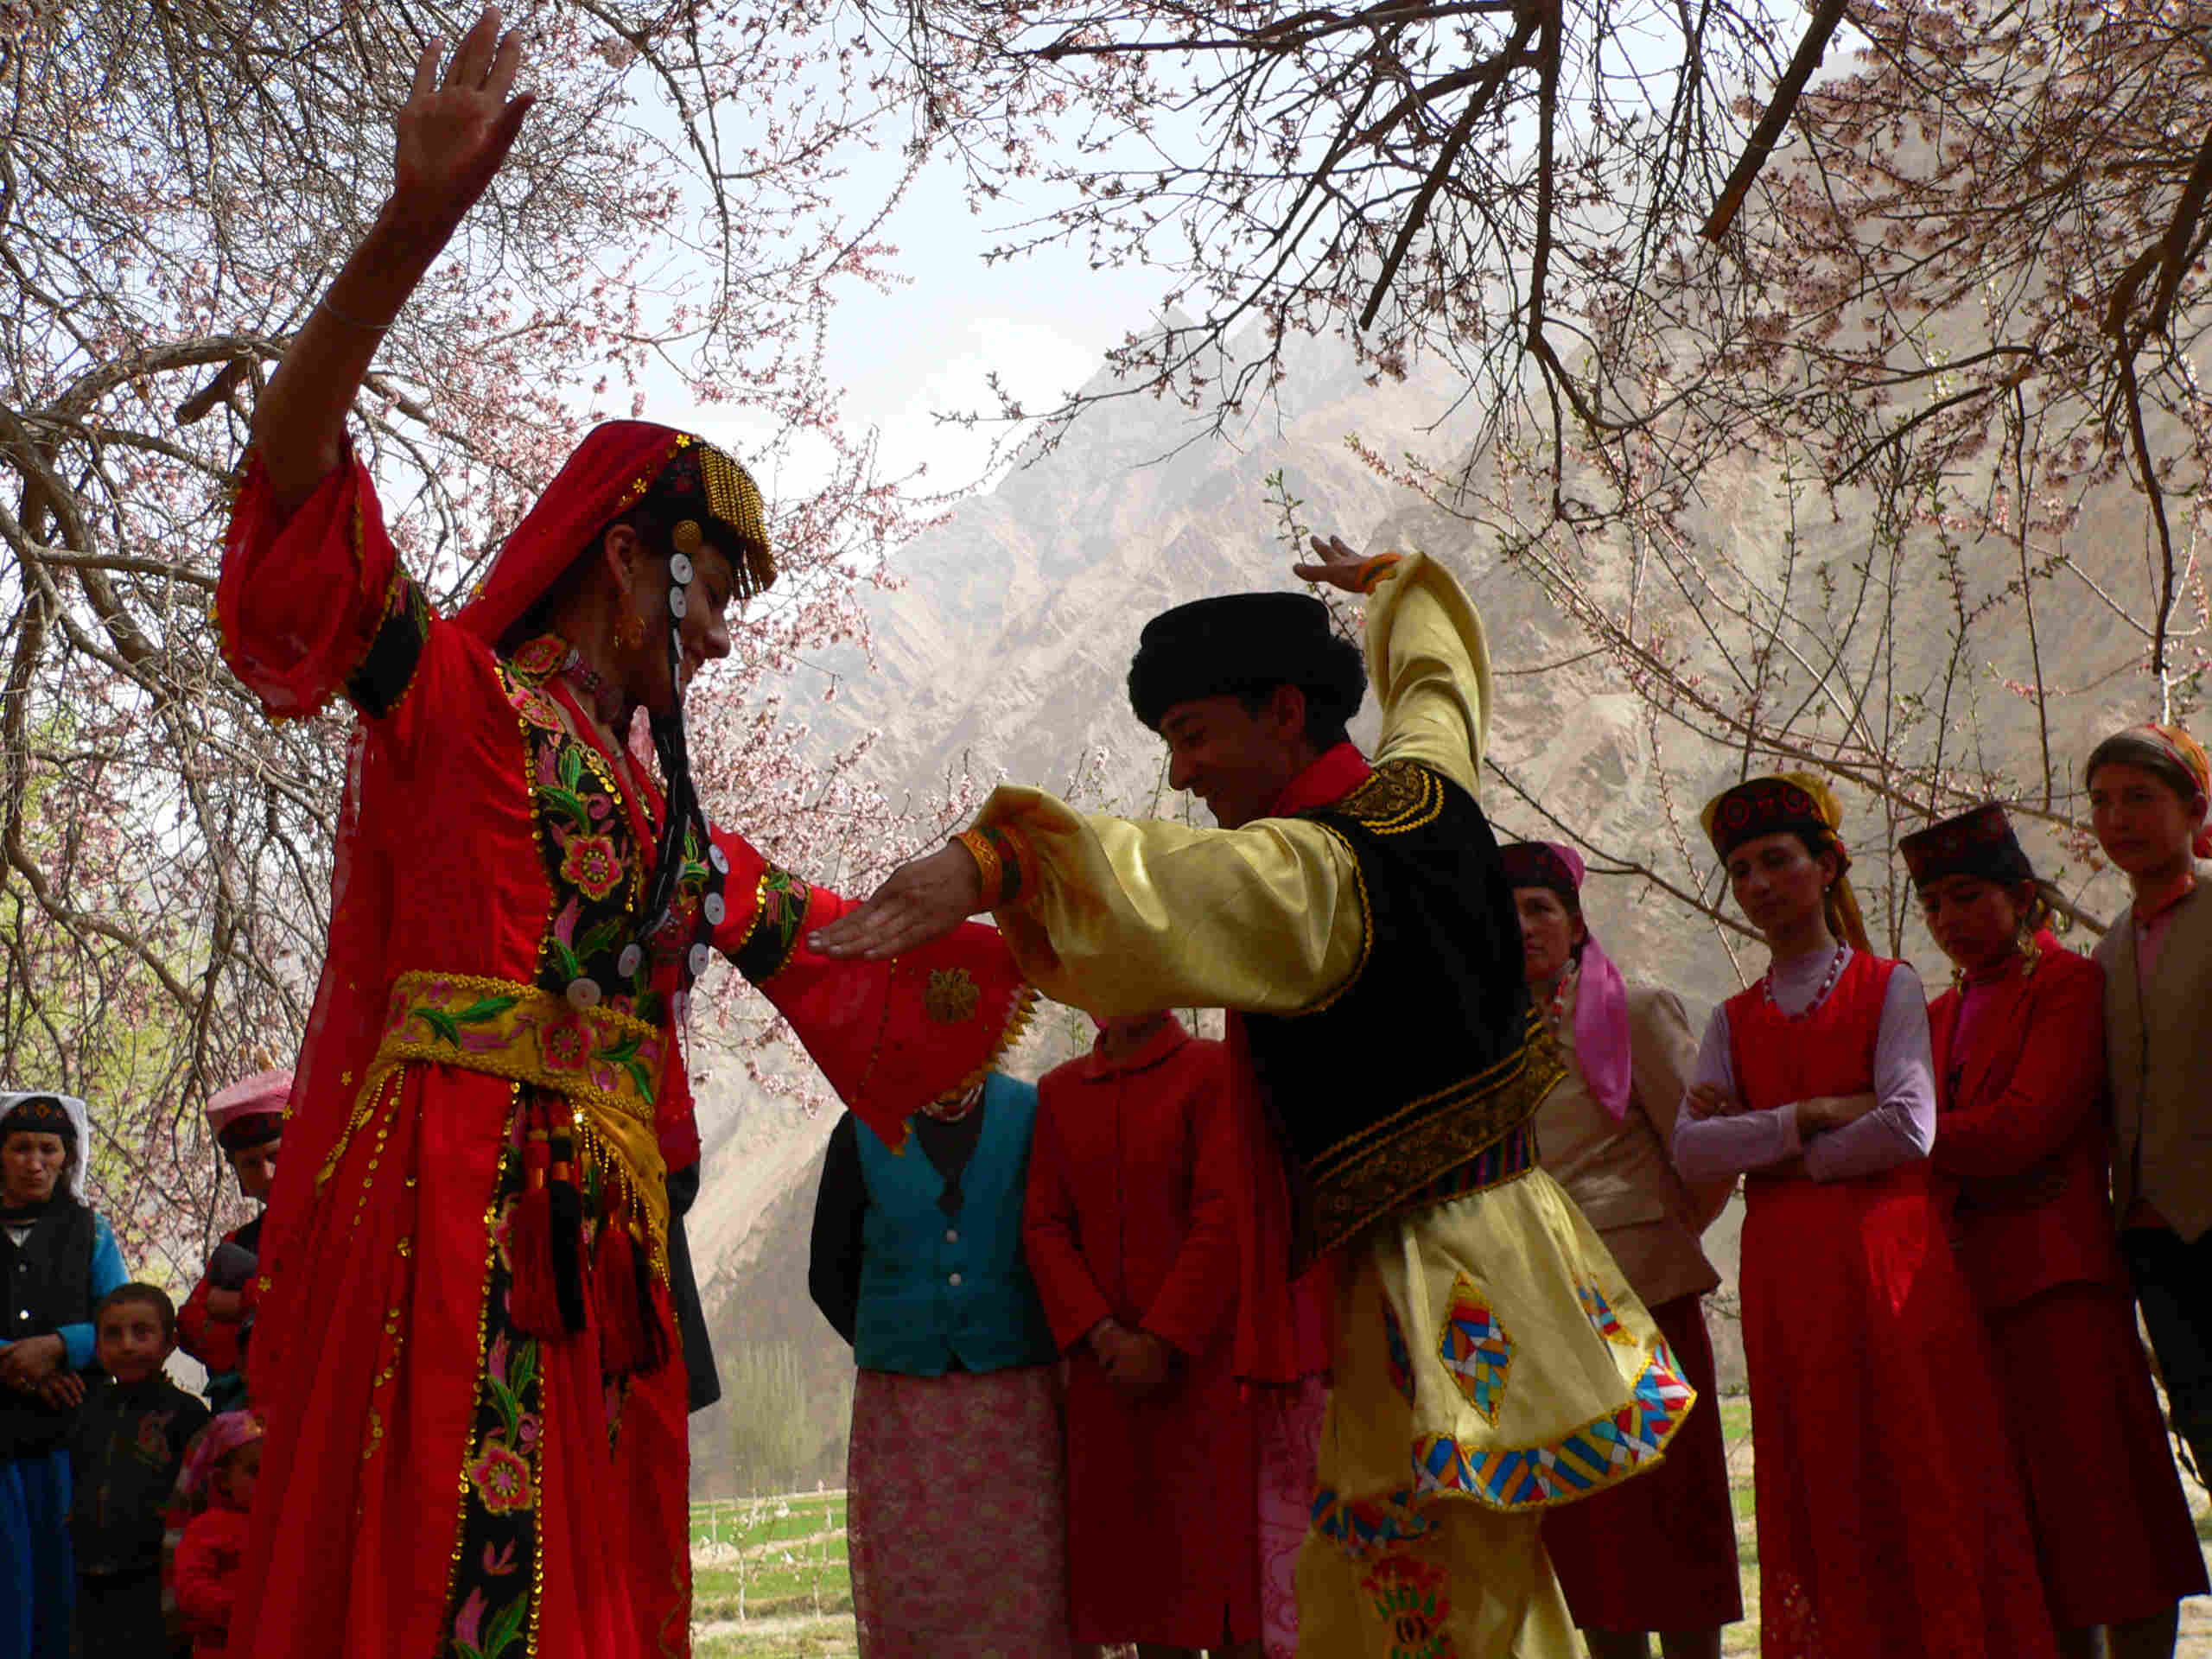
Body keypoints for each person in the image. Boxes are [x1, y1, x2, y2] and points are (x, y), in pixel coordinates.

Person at [218, 13, 1036, 1654]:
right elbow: (299, 481)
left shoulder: (672, 830)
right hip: (450, 1188)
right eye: (715, 586)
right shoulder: (455, 709)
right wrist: (403, 237)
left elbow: (857, 949)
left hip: (598, 1242)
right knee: (455, 1562)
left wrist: (1027, 867)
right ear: (625, 559)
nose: (724, 632)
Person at [816, 537, 1695, 1657]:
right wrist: (1397, 586)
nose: (1180, 776)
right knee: (1469, 1586)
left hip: (1423, 1291)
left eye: (1192, 736)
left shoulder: (1315, 873)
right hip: (1512, 1254)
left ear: (1285, 714)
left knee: (1418, 1600)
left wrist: (994, 864)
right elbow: (1437, 688)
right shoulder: (1426, 788)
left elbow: (1164, 883)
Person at [1672, 773, 2056, 1658]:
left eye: (1778, 860)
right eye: (1741, 870)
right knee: (1822, 1474)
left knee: (1917, 1459)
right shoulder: (1732, 1020)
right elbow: (1689, 1151)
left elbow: (1907, 1126)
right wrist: (1808, 1115)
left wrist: (1765, 1147)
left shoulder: (1888, 986)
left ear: (1825, 865)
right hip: (1786, 1282)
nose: (1761, 884)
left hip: (1888, 1268)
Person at [1905, 802, 2206, 1659]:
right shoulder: (1934, 1015)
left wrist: (1901, 1133)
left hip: (2059, 1286)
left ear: (2020, 894)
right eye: (1932, 906)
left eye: (1966, 896)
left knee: (2106, 1515)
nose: (1947, 921)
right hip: (1968, 1297)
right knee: (2025, 1529)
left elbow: (2024, 1127)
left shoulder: (2069, 985)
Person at [1502, 842, 1742, 1659]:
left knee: (1673, 1515)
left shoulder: (1633, 1010)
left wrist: (1655, 1239)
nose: (1525, 926)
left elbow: (1704, 1154)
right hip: (1546, 1315)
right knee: (1589, 1527)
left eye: (1541, 908)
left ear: (1574, 924)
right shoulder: (1489, 1039)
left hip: (1648, 1302)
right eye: (1508, 912)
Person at [807, 1071, 1077, 1656]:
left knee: (1029, 1596)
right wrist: (900, 1334)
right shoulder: (861, 1127)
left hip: (1020, 1411)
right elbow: (829, 1272)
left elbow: (1066, 1237)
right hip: (905, 1420)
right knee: (918, 1596)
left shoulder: (1035, 1116)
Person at [1025, 1012, 1260, 1658]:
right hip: (1108, 1391)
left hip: (1202, 1378)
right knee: (1148, 1610)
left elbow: (1224, 1212)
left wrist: (1162, 1339)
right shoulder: (1059, 1092)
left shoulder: (1211, 1073)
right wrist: (1104, 1336)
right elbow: (1044, 1226)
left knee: (1231, 1603)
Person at [2085, 722, 2212, 1489]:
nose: (2117, 820)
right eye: (2102, 802)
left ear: (2195, 809)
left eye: (2140, 798)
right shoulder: (2107, 953)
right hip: (2152, 1241)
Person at [0, 1090, 127, 1659]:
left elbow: (125, 1320)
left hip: (70, 1449)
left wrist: (58, 1347)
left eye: (47, 1148)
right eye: (20, 1147)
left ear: (67, 1157)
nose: (34, 1161)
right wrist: (15, 1363)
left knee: (63, 1593)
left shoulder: (92, 1234)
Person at [69, 1284, 210, 1657]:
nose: (127, 1345)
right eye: (113, 1335)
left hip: (155, 1584)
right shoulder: (86, 1410)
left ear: (169, 1342)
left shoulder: (188, 1415)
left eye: (142, 1333)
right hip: (90, 1582)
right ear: (98, 1347)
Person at [176, 1070, 288, 1412]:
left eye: (275, 1156)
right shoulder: (237, 1243)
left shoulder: (344, 1226)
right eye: (251, 1164)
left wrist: (242, 1300)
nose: (266, 1174)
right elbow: (191, 1325)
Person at [172, 1413, 264, 1659]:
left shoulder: (287, 1526)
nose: (268, 1481)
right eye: (255, 1471)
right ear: (224, 1480)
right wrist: (243, 1610)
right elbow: (189, 1588)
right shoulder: (207, 1528)